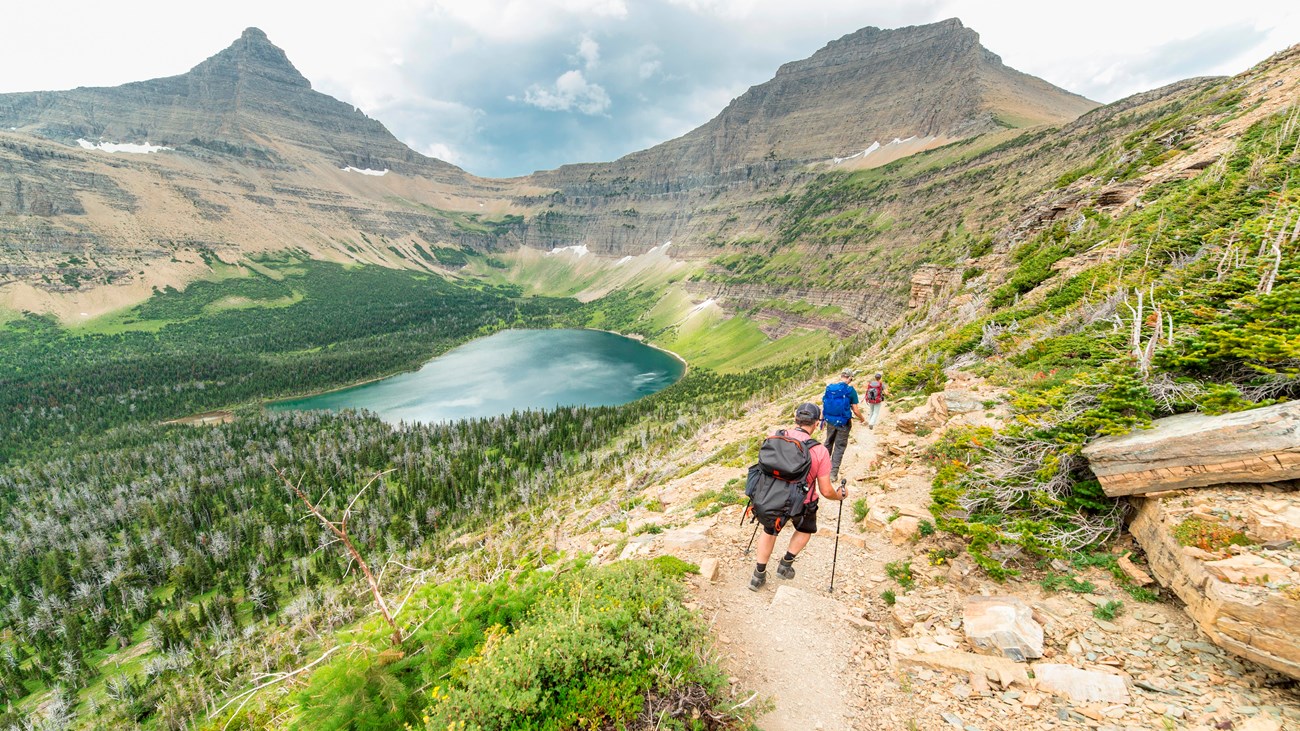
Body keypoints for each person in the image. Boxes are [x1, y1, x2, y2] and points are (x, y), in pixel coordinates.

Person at [749, 402, 846, 591]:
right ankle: (785, 564)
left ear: (796, 419)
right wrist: (840, 495)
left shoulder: (775, 437)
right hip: (801, 502)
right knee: (805, 529)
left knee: (769, 531)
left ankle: (757, 576)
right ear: (818, 423)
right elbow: (826, 491)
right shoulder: (819, 451)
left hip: (771, 497)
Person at [820, 369, 866, 482]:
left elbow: (824, 404)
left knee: (828, 443)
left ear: (841, 376)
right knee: (839, 447)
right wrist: (862, 419)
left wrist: (821, 419)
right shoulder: (850, 390)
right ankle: (832, 474)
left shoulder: (830, 388)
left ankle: (821, 469)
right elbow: (855, 410)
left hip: (830, 420)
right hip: (843, 423)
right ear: (850, 378)